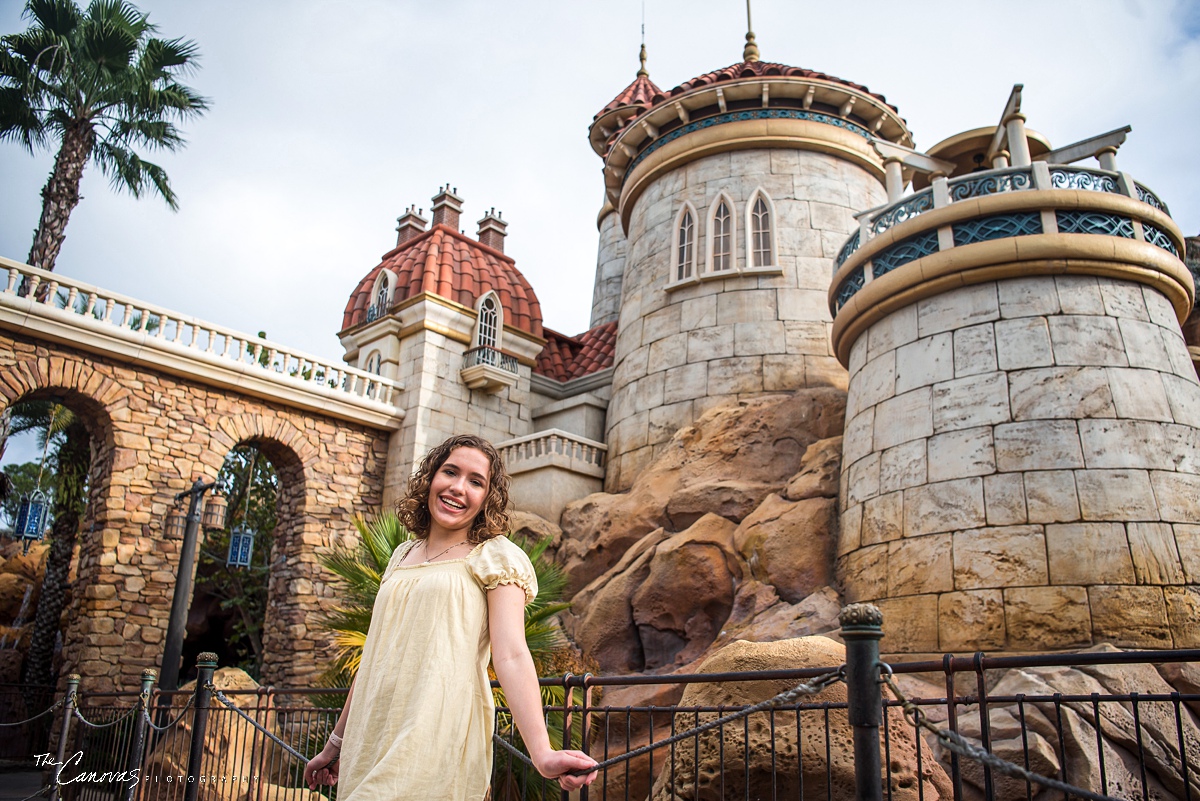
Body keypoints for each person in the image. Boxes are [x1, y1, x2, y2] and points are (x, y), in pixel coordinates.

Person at [303, 434, 598, 799]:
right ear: (430, 479)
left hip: (435, 738)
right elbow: (376, 658)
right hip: (370, 739)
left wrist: (542, 754)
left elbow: (511, 654)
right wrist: (335, 744)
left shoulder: (495, 556)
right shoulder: (401, 555)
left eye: (476, 482)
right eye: (450, 472)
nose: (459, 488)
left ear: (488, 497)